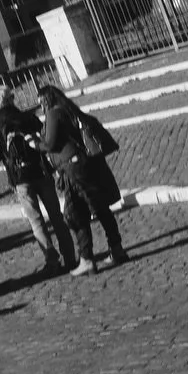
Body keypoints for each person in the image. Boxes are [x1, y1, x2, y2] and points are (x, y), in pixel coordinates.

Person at [0, 85, 76, 275]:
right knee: (56, 216)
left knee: (36, 222)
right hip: (41, 171)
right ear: (11, 99)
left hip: (19, 178)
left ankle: (52, 260)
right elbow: (43, 137)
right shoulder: (27, 117)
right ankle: (70, 257)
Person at [38, 84, 128, 275]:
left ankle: (87, 259)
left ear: (46, 100)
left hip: (72, 170)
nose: (40, 106)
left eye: (41, 101)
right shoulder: (70, 110)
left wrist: (35, 143)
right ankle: (116, 249)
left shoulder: (54, 114)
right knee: (100, 208)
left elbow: (50, 143)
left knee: (75, 214)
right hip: (84, 165)